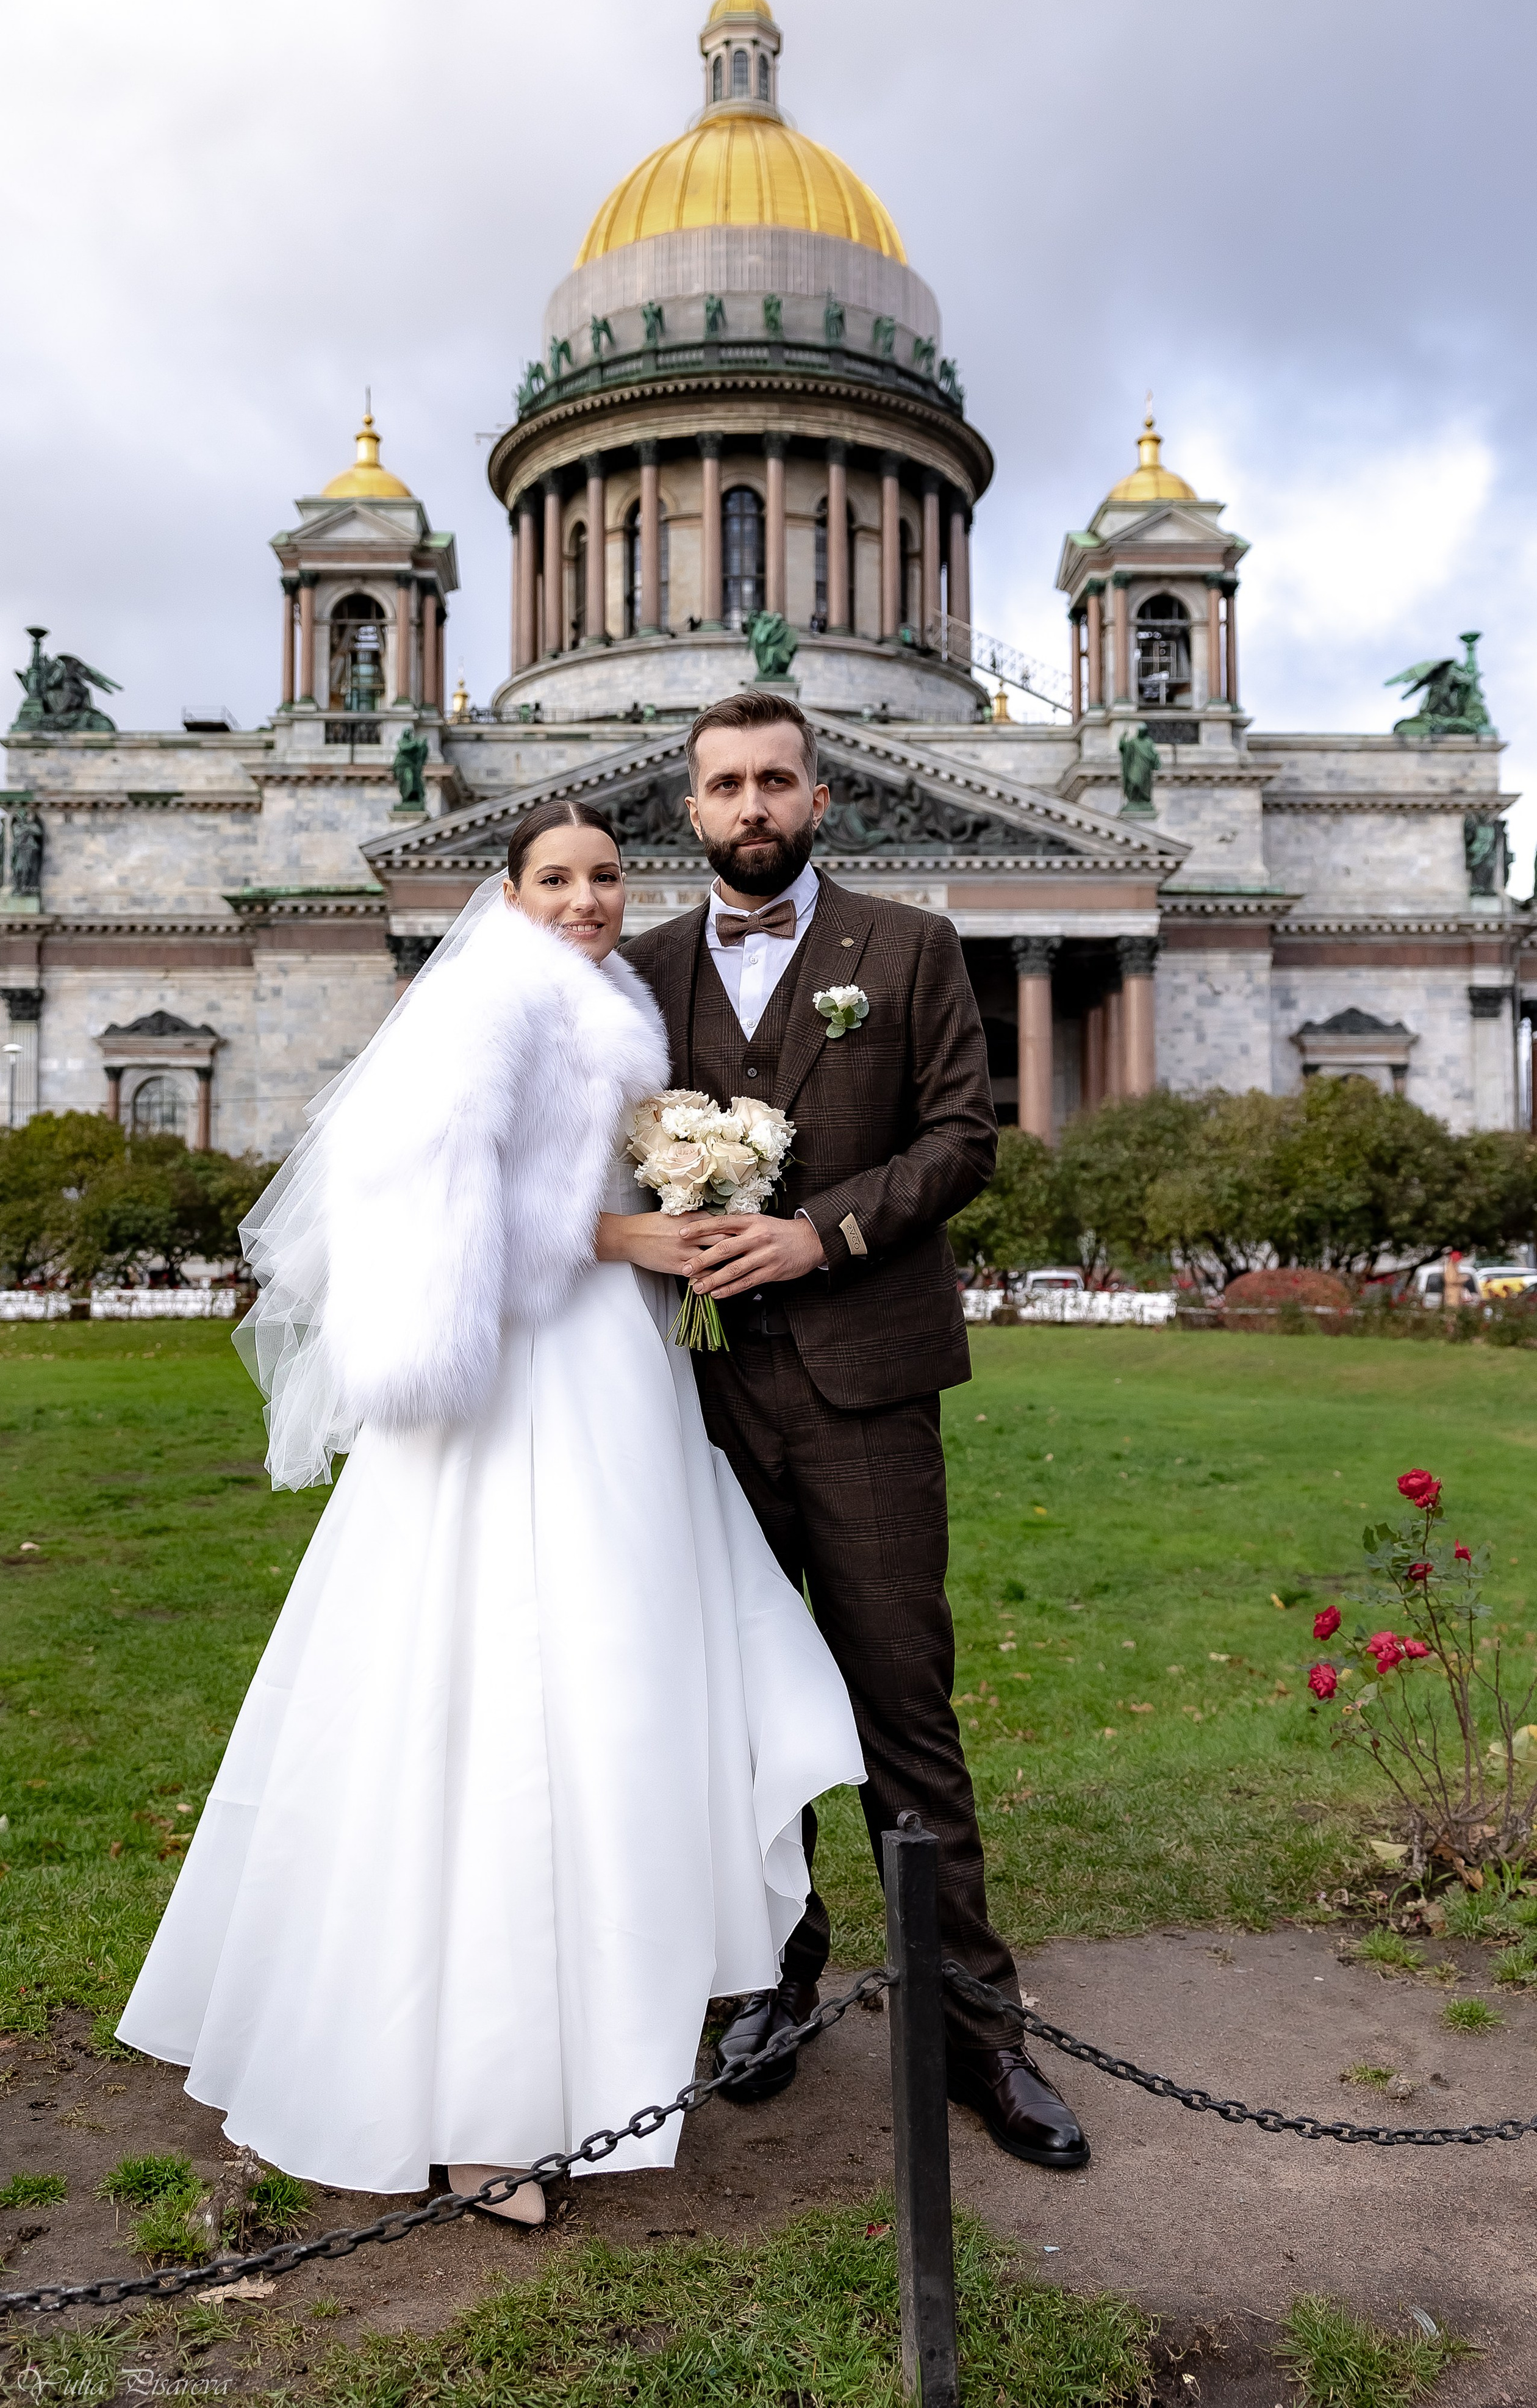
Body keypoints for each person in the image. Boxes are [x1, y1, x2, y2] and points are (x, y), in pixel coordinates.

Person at [116, 799, 864, 2223]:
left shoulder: (601, 1002)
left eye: (605, 877)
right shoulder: (490, 1005)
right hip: (523, 1384)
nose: (586, 900)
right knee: (512, 1704)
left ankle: (573, 2041)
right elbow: (433, 1205)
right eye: (556, 879)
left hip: (610, 1375)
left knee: (607, 1696)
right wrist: (629, 1230)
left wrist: (667, 1207)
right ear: (508, 895)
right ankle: (478, 2110)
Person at [628, 692, 1089, 2171]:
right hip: (690, 1396)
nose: (750, 807)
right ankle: (772, 1982)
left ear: (818, 800)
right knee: (735, 1715)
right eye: (724, 786)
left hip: (866, 1387)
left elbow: (961, 1137)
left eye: (775, 782)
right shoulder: (633, 970)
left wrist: (813, 1235)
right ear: (689, 810)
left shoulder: (907, 945)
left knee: (903, 1708)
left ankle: (976, 2034)